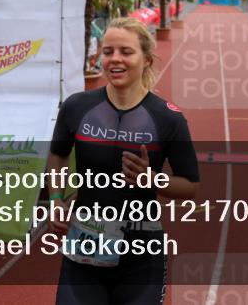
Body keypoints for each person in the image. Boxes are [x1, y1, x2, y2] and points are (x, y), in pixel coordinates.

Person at [46, 17, 200, 304]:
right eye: (108, 51)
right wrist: (56, 197)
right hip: (84, 251)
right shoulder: (77, 107)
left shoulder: (168, 118)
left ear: (147, 60)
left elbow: (190, 186)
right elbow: (57, 153)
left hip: (142, 256)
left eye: (126, 52)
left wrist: (151, 179)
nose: (115, 59)